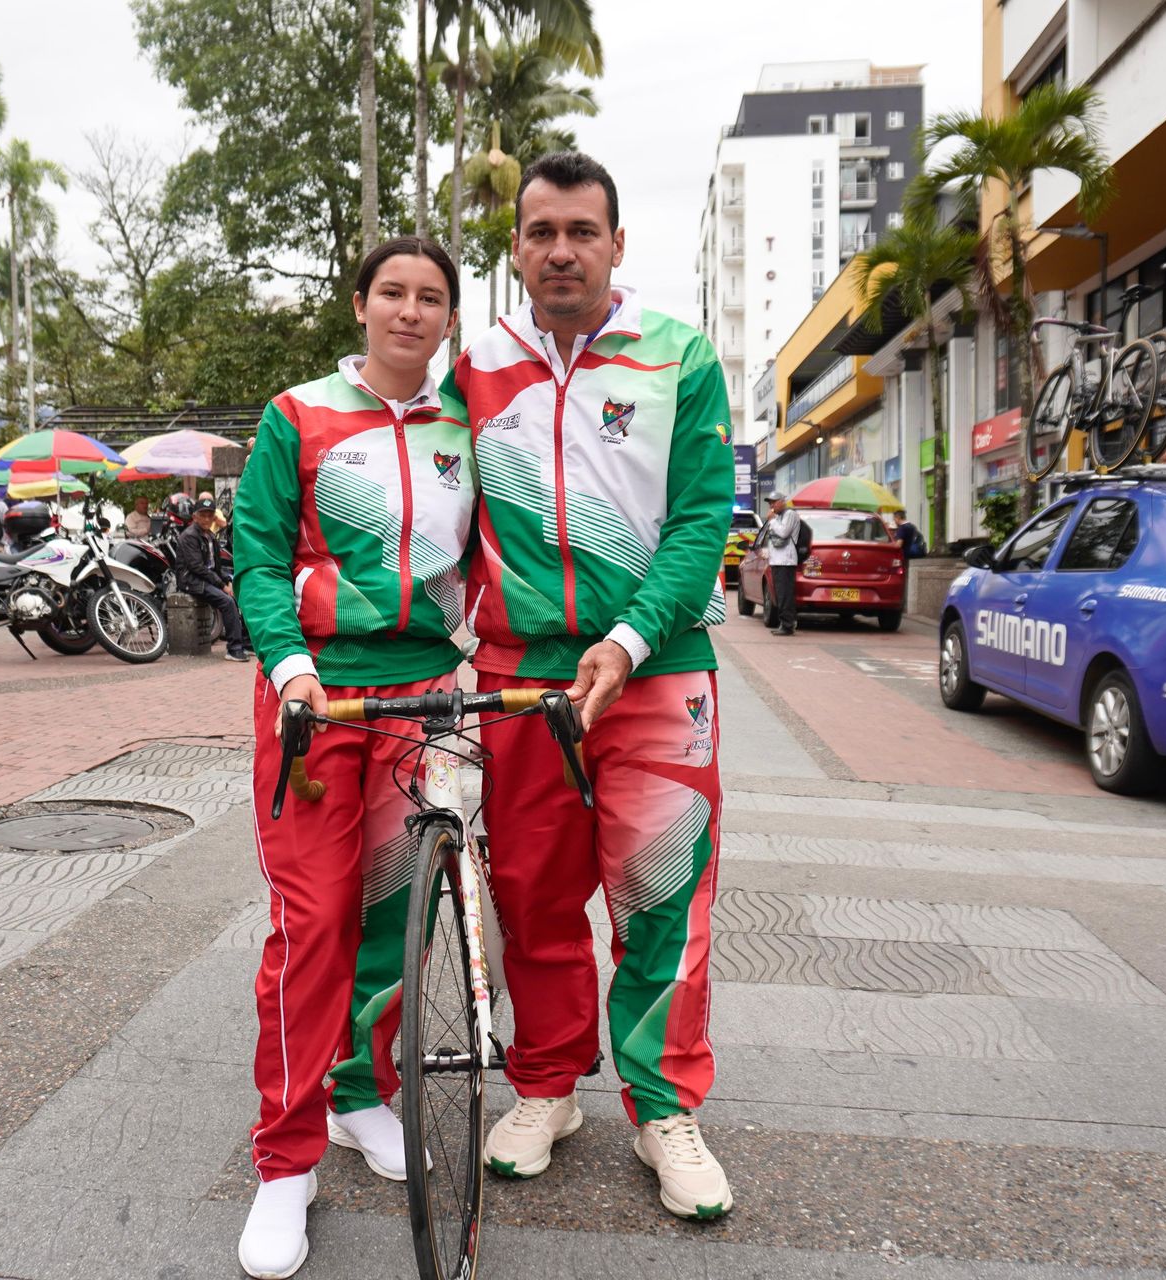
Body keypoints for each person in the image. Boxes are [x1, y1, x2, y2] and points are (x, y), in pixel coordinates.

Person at [445, 151, 736, 1220]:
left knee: (662, 893)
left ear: (617, 243)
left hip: (658, 671)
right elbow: (440, 518)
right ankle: (546, 1085)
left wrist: (627, 636)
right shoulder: (472, 369)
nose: (560, 250)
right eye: (540, 233)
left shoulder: (679, 358)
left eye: (581, 230)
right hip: (519, 675)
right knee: (529, 891)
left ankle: (664, 1106)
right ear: (516, 248)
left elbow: (705, 518)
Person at [228, 235, 472, 1279]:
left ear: (448, 317)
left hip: (428, 696)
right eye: (392, 293)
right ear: (361, 304)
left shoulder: (473, 423)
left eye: (431, 297)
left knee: (388, 916)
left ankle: (360, 1092)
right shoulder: (299, 415)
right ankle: (285, 1160)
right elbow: (257, 553)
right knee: (312, 921)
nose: (410, 312)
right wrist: (289, 667)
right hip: (318, 695)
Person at [179, 499, 248, 662]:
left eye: (210, 515)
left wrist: (227, 581)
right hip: (191, 581)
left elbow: (216, 566)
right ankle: (234, 648)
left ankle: (246, 641)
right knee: (227, 601)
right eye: (203, 515)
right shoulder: (189, 536)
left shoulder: (210, 536)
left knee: (240, 595)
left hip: (207, 579)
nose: (206, 519)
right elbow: (197, 568)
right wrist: (222, 585)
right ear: (195, 517)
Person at [761, 494, 804, 635]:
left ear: (782, 502)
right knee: (780, 594)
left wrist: (772, 521)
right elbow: (773, 538)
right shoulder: (778, 517)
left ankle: (787, 625)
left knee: (785, 594)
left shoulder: (790, 514)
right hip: (777, 560)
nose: (771, 506)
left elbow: (784, 533)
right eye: (770, 503)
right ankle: (784, 623)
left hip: (786, 561)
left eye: (773, 502)